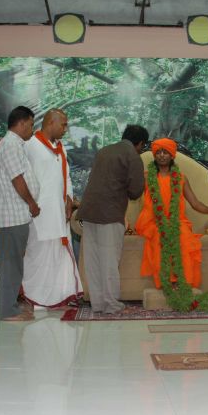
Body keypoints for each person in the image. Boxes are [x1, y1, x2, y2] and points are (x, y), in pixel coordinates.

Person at [76, 125, 149, 314]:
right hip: (110, 213)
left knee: (93, 260)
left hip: (89, 211)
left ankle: (98, 303)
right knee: (109, 260)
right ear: (140, 143)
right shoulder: (133, 156)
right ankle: (112, 304)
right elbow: (135, 192)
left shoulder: (104, 151)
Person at [135, 138, 208, 290]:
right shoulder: (146, 177)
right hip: (153, 221)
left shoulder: (181, 178)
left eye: (165, 152)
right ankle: (166, 281)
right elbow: (130, 193)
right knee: (161, 234)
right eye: (158, 152)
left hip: (176, 220)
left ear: (172, 155)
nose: (162, 155)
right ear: (154, 155)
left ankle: (182, 281)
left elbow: (195, 203)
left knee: (184, 237)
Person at [22, 109, 83, 309]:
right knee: (39, 254)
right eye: (63, 125)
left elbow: (66, 178)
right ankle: (37, 298)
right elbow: (16, 175)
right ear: (50, 123)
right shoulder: (30, 145)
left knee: (59, 253)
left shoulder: (60, 148)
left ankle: (61, 295)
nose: (66, 129)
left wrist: (69, 199)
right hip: (39, 213)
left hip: (59, 212)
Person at [0, 106, 39, 321]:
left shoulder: (14, 144)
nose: (32, 129)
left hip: (17, 215)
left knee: (13, 264)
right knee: (10, 266)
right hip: (13, 215)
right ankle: (8, 311)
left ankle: (11, 306)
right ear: (21, 123)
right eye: (30, 124)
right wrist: (32, 203)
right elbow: (17, 179)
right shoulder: (11, 144)